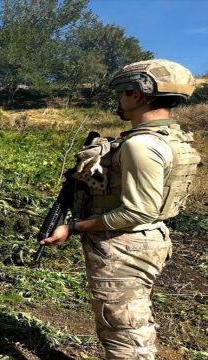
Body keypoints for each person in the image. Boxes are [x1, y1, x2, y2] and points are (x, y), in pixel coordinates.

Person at [39, 59, 201, 359]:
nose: (119, 100)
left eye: (122, 93)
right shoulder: (172, 139)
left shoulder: (141, 145)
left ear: (137, 94)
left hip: (124, 246)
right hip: (147, 240)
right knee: (132, 321)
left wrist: (74, 227)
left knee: (123, 333)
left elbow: (138, 212)